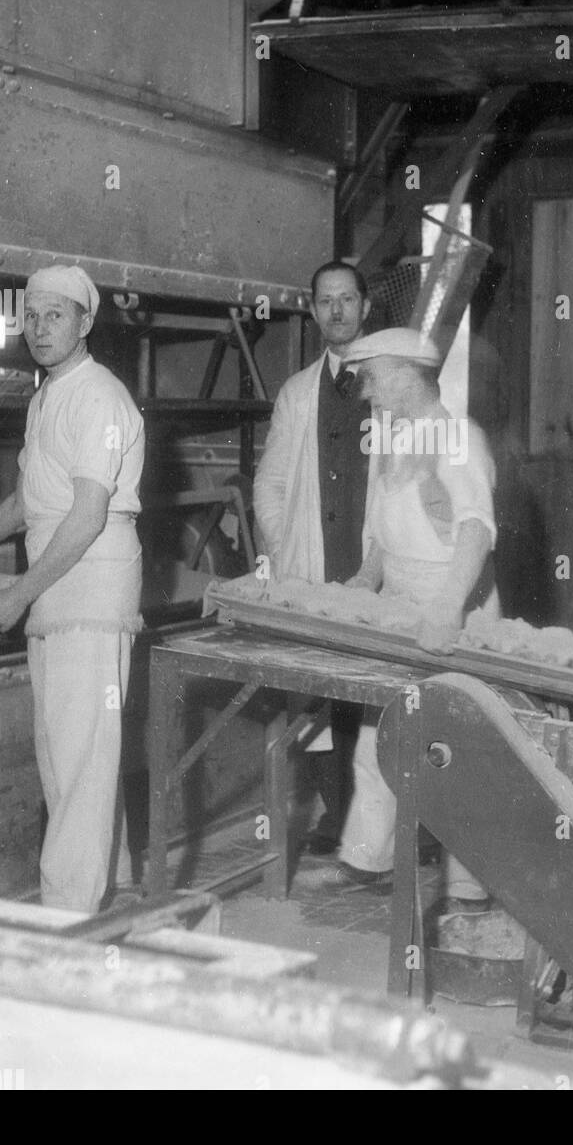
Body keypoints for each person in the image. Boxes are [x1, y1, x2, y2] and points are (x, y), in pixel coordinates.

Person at [0, 265, 144, 913]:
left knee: (80, 758)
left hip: (90, 589)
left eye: (56, 315)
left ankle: (66, 916)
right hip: (56, 590)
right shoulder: (46, 394)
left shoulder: (99, 397)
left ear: (86, 323)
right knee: (67, 754)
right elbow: (28, 500)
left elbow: (84, 516)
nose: (40, 328)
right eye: (31, 316)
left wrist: (18, 592)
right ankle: (117, 884)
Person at [312, 327, 499, 911]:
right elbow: (386, 532)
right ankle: (369, 858)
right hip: (399, 604)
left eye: (370, 378)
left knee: (457, 747)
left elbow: (476, 530)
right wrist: (368, 578)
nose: (365, 393)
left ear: (400, 372)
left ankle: (469, 884)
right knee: (379, 732)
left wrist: (445, 612)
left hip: (453, 607)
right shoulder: (394, 439)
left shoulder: (457, 437)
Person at [253, 261, 376, 855]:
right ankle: (338, 812)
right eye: (325, 301)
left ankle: (381, 820)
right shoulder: (298, 393)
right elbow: (269, 485)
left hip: (376, 568)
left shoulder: (391, 388)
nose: (336, 311)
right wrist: (283, 554)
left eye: (346, 300)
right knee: (320, 695)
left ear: (366, 307)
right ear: (312, 310)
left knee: (377, 691)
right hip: (314, 567)